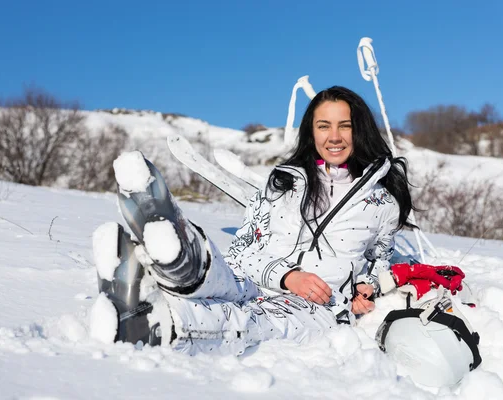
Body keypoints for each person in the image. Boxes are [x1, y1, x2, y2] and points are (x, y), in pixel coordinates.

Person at [90, 86, 464, 356]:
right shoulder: (282, 181)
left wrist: (366, 289)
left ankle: (158, 319)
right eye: (323, 126)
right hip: (256, 276)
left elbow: (380, 258)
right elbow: (243, 249)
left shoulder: (383, 202)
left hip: (317, 304)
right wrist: (285, 275)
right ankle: (177, 258)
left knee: (249, 322)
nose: (334, 137)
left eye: (344, 126)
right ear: (311, 131)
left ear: (359, 129)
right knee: (224, 279)